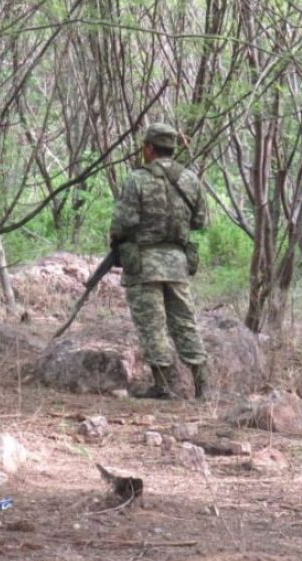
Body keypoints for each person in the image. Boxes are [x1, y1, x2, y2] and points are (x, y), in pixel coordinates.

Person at [109, 122, 209, 400]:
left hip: (144, 263)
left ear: (149, 148)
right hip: (177, 263)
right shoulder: (190, 179)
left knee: (153, 325)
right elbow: (200, 221)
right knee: (185, 322)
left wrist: (118, 241)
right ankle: (203, 386)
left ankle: (163, 387)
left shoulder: (137, 179)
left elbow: (123, 222)